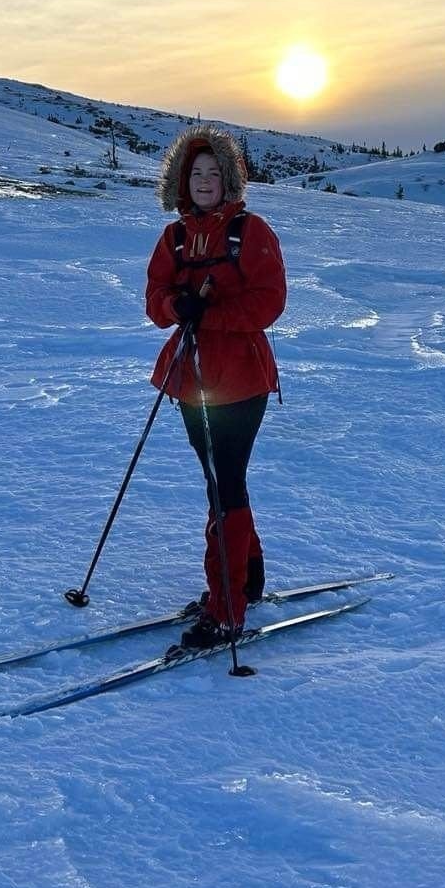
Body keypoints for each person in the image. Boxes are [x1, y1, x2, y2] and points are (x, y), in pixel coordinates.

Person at [145, 125, 286, 648]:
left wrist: (211, 316)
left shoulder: (251, 232)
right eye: (195, 173)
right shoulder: (175, 238)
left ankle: (227, 608)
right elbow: (155, 297)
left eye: (212, 172)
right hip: (191, 379)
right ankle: (246, 578)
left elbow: (270, 300)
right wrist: (175, 306)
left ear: (228, 178)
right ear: (181, 181)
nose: (204, 181)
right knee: (219, 481)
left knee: (226, 483)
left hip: (242, 378)